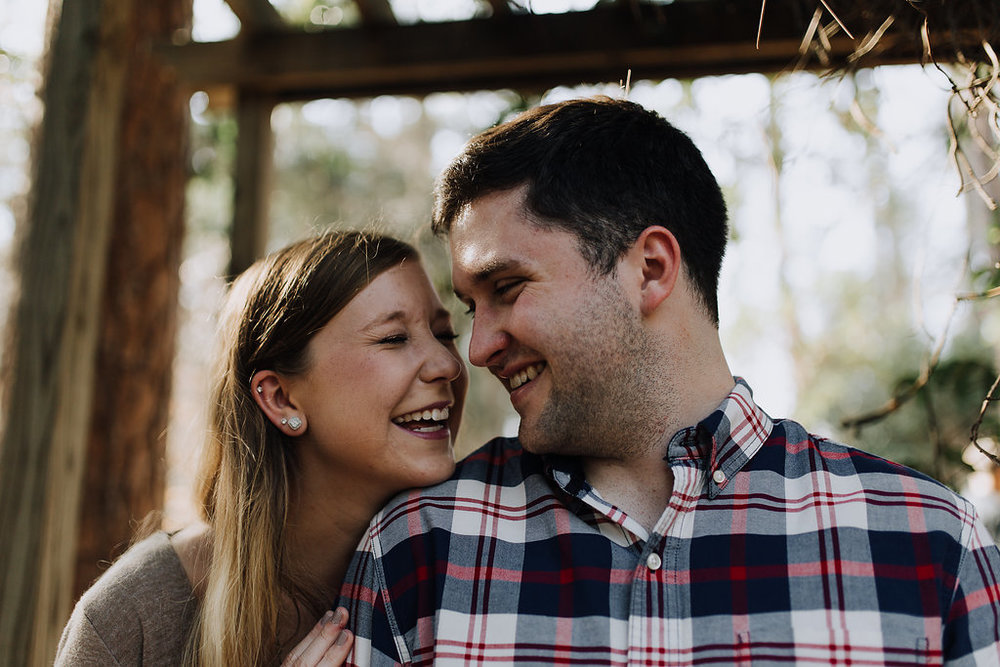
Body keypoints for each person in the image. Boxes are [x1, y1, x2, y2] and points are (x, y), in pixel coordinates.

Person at [339, 97, 1000, 666]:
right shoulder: (418, 550)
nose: (477, 348)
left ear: (651, 269)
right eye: (469, 308)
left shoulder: (927, 545)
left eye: (507, 288)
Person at [56, 230, 467, 665]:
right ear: (281, 398)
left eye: (445, 335)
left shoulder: (480, 566)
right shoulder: (131, 618)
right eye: (394, 338)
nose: (449, 365)